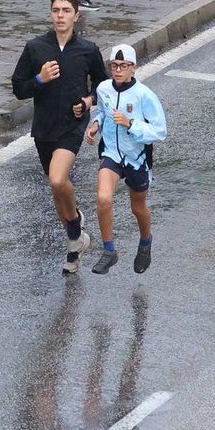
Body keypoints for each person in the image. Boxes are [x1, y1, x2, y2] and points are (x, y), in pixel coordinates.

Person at [11, 0, 108, 273]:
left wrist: (88, 102)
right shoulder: (35, 47)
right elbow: (19, 87)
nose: (60, 16)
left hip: (72, 126)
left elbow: (101, 88)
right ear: (51, 14)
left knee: (57, 179)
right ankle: (75, 243)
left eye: (66, 10)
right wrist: (39, 79)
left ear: (76, 16)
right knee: (58, 191)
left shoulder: (88, 49)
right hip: (43, 127)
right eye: (56, 10)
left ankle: (76, 222)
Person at [86, 45, 166, 274]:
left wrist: (131, 124)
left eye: (123, 66)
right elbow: (102, 112)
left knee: (137, 207)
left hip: (137, 158)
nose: (118, 70)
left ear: (133, 68)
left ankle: (145, 242)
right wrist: (95, 125)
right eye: (114, 66)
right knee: (103, 198)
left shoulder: (144, 95)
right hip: (111, 153)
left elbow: (160, 131)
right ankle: (109, 250)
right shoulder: (103, 89)